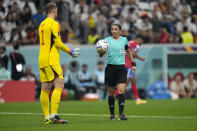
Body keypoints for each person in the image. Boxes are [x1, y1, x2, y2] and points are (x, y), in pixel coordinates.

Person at [38, 2, 80, 124]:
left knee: (45, 89)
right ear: (54, 10)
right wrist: (70, 51)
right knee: (59, 85)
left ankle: (47, 117)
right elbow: (57, 42)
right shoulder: (54, 24)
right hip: (51, 59)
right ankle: (54, 115)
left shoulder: (42, 24)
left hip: (42, 59)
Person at [98, 22, 134, 120]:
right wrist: (100, 52)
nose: (113, 31)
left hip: (121, 69)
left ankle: (121, 114)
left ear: (120, 31)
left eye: (115, 29)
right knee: (111, 93)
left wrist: (133, 62)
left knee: (122, 90)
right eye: (112, 29)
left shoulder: (124, 40)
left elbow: (128, 51)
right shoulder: (106, 40)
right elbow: (101, 55)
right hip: (110, 69)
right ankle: (112, 114)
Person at [125, 35, 147, 105]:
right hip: (129, 64)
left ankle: (137, 99)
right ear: (140, 39)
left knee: (133, 80)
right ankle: (114, 96)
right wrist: (140, 58)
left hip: (126, 63)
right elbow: (133, 53)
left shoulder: (129, 42)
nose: (141, 44)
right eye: (142, 42)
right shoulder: (136, 44)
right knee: (126, 82)